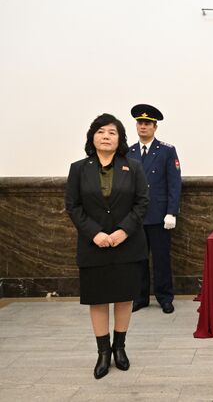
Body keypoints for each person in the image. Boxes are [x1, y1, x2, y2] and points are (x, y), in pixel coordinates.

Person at [65, 113, 149, 379]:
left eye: (112, 132)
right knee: (98, 299)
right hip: (94, 246)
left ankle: (119, 348)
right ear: (92, 136)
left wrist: (124, 230)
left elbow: (142, 202)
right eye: (101, 132)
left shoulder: (133, 166)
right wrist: (95, 233)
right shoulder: (79, 168)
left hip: (127, 244)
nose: (106, 136)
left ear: (120, 138)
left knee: (124, 297)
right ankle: (103, 352)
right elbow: (73, 206)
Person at [127, 104, 182, 314]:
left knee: (161, 259)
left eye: (147, 123)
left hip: (160, 216)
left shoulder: (167, 151)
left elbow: (174, 183)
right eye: (140, 123)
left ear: (155, 127)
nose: (143, 127)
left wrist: (172, 211)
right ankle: (140, 297)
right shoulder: (129, 152)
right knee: (138, 259)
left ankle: (165, 297)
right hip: (136, 216)